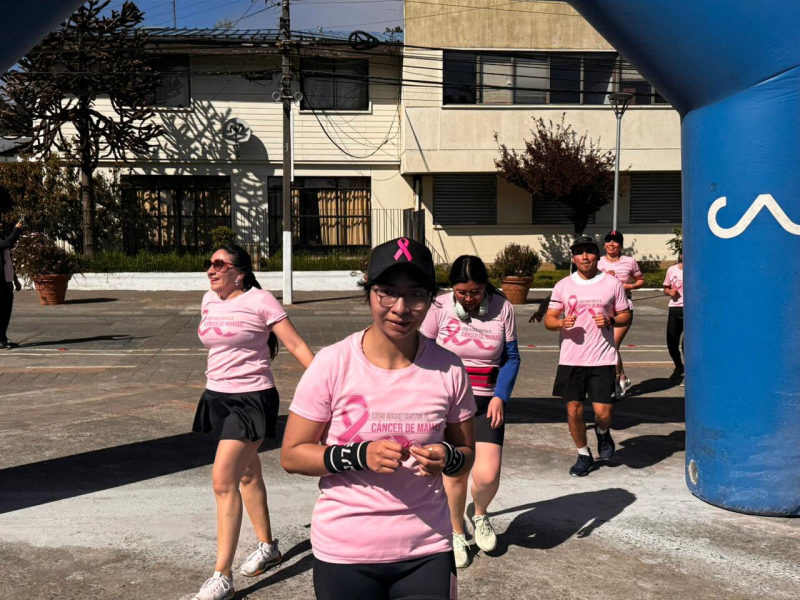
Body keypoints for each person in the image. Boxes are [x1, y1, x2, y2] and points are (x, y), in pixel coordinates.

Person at [281, 237, 476, 600]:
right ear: (368, 292)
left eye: (416, 294)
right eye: (387, 292)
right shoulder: (332, 363)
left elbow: (466, 453)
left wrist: (447, 457)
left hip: (427, 549)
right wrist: (359, 454)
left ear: (431, 299)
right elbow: (292, 455)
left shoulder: (450, 368)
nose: (401, 308)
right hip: (345, 551)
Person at [189, 244, 314, 600]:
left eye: (219, 264)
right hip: (217, 397)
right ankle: (268, 547)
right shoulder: (208, 300)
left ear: (239, 273)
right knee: (247, 473)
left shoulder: (261, 300)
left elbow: (296, 345)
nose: (211, 270)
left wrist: (329, 386)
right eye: (209, 264)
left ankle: (222, 576)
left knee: (223, 480)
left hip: (251, 399)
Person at [420, 255, 520, 568]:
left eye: (475, 292)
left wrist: (501, 396)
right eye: (461, 292)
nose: (468, 298)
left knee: (487, 475)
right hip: (448, 403)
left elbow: (512, 358)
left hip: (486, 402)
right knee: (456, 474)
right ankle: (455, 532)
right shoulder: (438, 307)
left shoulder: (503, 308)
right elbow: (422, 352)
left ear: (485, 287)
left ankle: (479, 514)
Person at [545, 236, 632, 477]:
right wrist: (560, 322)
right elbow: (549, 320)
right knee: (573, 411)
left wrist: (611, 320)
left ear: (597, 256)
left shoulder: (612, 284)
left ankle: (602, 433)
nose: (584, 256)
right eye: (579, 252)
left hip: (602, 359)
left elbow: (625, 315)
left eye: (589, 251)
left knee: (603, 414)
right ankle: (583, 454)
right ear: (573, 258)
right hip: (571, 359)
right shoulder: (563, 285)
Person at [597, 231, 644, 397]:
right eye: (608, 241)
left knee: (612, 345)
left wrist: (629, 286)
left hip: (623, 308)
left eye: (615, 241)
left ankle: (617, 381)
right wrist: (604, 277)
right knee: (607, 346)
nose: (611, 244)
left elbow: (640, 280)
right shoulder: (598, 262)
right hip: (603, 308)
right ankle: (622, 376)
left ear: (621, 246)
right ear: (604, 245)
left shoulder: (629, 262)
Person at [0, 219, 23, 350]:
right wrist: (16, 229)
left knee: (6, 312)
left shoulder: (3, 241)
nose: (1, 225)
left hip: (7, 282)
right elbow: (8, 242)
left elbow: (9, 262)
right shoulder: (3, 242)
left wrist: (15, 280)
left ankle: (2, 338)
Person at [663, 253, 684, 386]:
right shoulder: (672, 269)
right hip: (675, 308)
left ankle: (690, 371)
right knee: (671, 342)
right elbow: (666, 288)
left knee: (687, 343)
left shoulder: (696, 268)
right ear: (681, 255)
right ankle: (679, 366)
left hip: (691, 309)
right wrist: (669, 292)